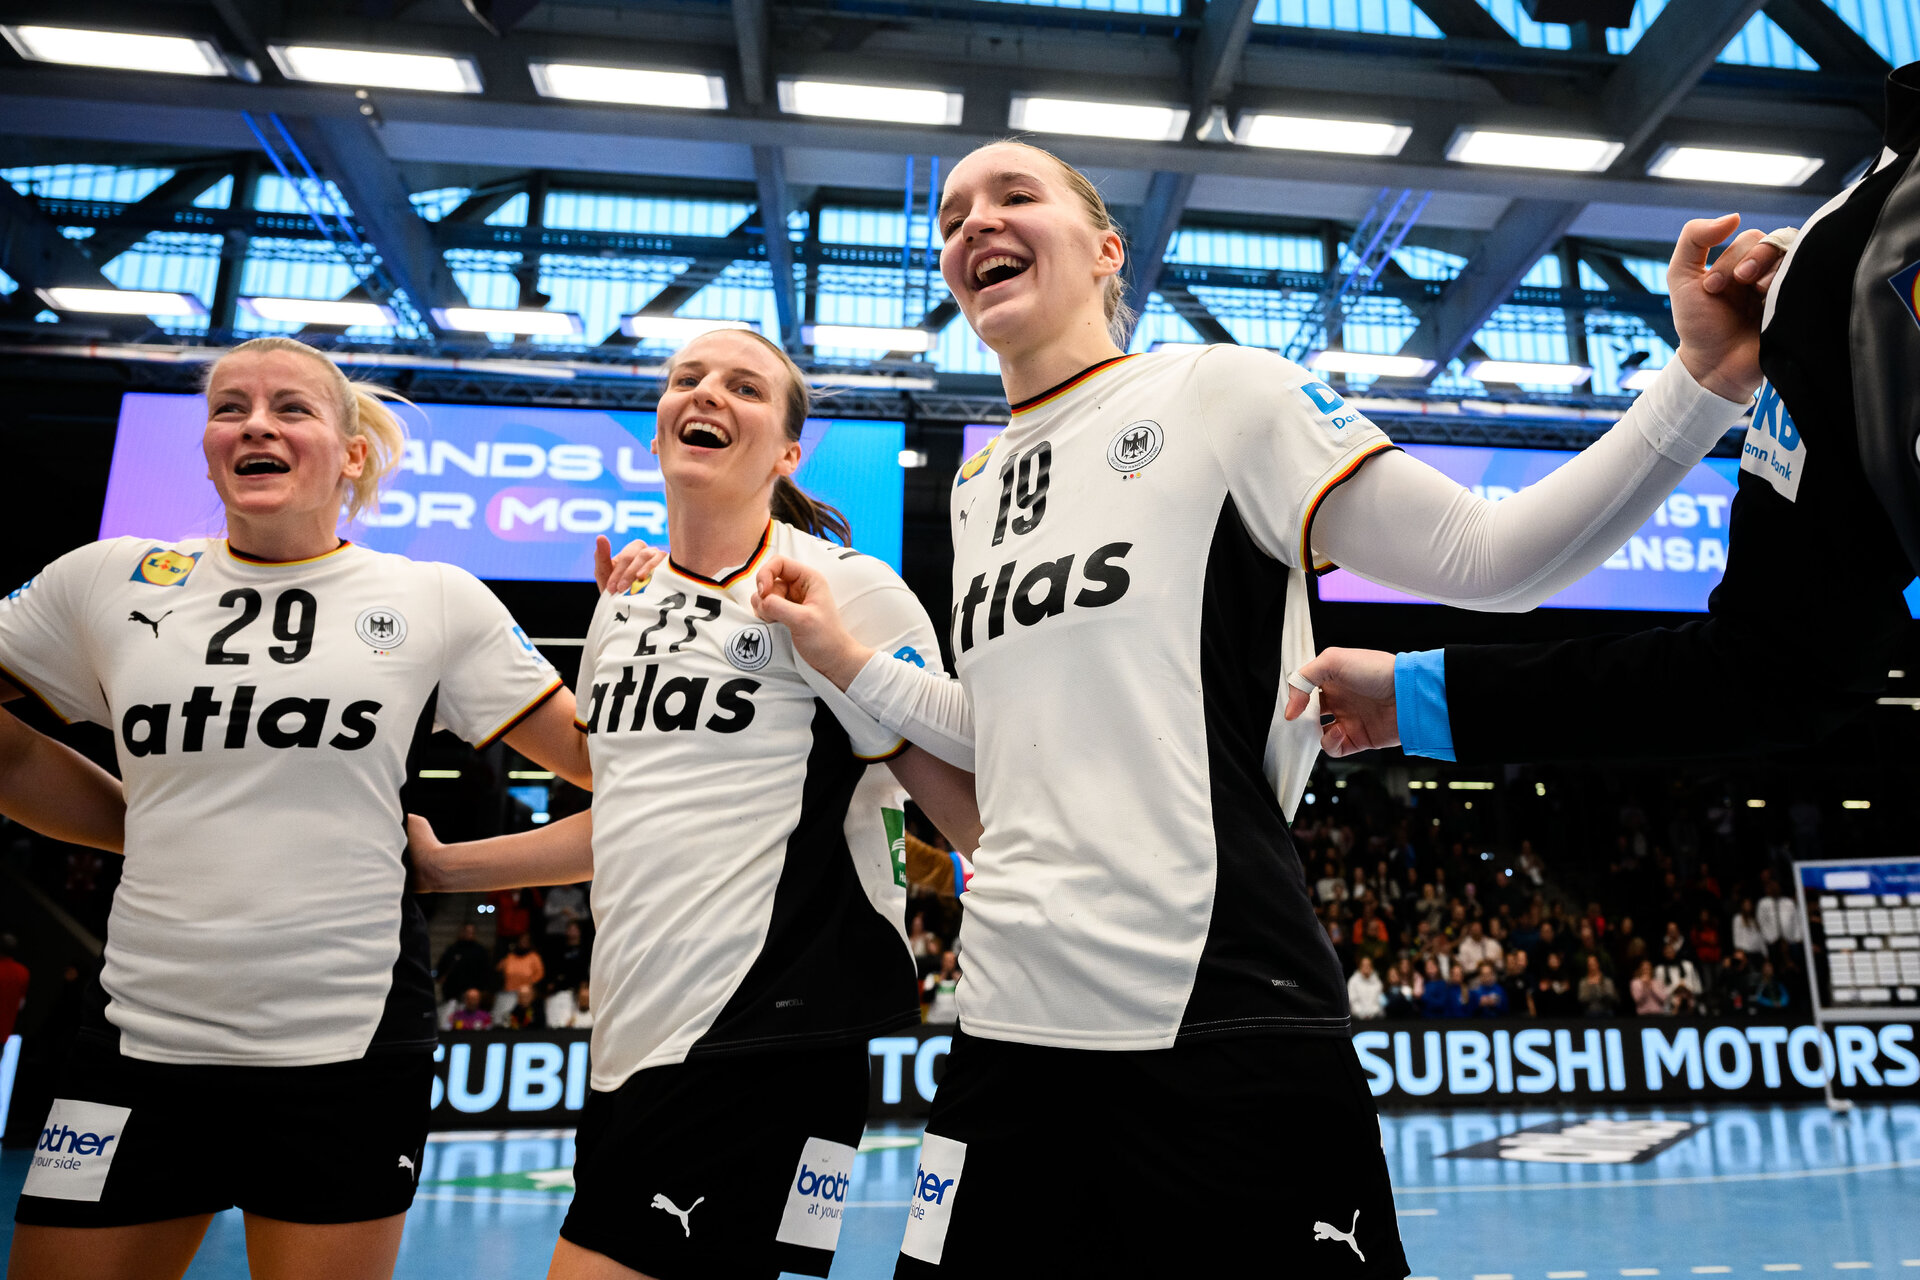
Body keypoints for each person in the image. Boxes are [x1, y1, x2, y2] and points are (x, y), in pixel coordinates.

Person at [663, 135, 1780, 1273]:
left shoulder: (1220, 392)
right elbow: (1007, 739)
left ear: (1107, 251)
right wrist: (842, 655)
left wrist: (1698, 386)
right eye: (952, 218)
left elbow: (1490, 557)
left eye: (1013, 195)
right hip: (1006, 1027)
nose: (974, 225)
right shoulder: (978, 481)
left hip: (1218, 1016)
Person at [3, 336, 586, 1280]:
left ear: (351, 453)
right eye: (228, 409)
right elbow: (13, 749)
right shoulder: (106, 579)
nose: (254, 425)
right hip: (139, 1036)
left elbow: (621, 773)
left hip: (348, 1046)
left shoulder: (435, 599)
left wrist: (643, 636)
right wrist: (140, 822)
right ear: (206, 448)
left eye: (290, 408)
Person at [407, 327, 981, 1280]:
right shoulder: (623, 604)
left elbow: (961, 771)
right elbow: (631, 817)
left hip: (770, 1019)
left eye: (745, 387)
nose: (708, 393)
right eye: (689, 378)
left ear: (789, 451)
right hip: (635, 1031)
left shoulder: (846, 587)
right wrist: (444, 868)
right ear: (659, 421)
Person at [1282, 69, 1920, 769]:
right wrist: (1703, 382)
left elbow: (1778, 670)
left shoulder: (1845, 262)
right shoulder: (1842, 267)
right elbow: (1779, 666)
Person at [435, 923, 492, 1013]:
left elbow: (485, 972)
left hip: (472, 993)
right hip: (452, 993)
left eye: (471, 932)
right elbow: (442, 966)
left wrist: (481, 989)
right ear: (461, 932)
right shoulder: (452, 949)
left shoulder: (480, 951)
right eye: (466, 931)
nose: (468, 934)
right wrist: (440, 977)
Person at [1347, 955, 1384, 1020]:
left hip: (1374, 1018)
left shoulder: (1377, 982)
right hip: (1357, 1019)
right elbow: (1352, 1001)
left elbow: (1379, 1001)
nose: (1366, 967)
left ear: (1372, 967)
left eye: (1368, 965)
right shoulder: (1353, 981)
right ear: (1360, 967)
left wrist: (1371, 1014)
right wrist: (1362, 1014)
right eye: (1364, 965)